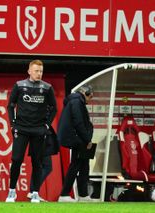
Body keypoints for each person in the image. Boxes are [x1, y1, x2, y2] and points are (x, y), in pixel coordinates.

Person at [6, 59, 57, 203]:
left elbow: (54, 108)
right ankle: (11, 192)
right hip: (21, 129)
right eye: (36, 71)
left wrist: (46, 125)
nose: (39, 74)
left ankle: (35, 192)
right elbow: (10, 105)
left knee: (37, 162)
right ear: (29, 71)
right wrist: (12, 124)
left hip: (39, 130)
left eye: (41, 71)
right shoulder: (19, 85)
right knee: (16, 159)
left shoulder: (47, 88)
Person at [57, 85, 94, 202]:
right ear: (85, 94)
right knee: (76, 165)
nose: (90, 100)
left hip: (79, 138)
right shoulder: (77, 102)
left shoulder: (77, 102)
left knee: (84, 165)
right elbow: (78, 123)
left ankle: (83, 195)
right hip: (78, 139)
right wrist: (87, 139)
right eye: (90, 97)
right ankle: (64, 194)